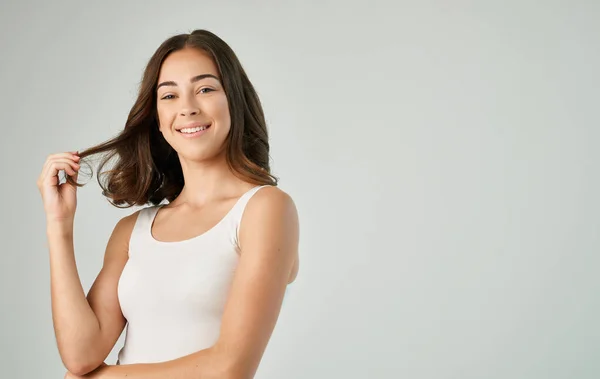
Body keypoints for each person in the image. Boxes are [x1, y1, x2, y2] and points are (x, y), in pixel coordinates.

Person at [36, 29, 300, 379]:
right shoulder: (133, 231)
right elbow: (80, 354)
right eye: (169, 96)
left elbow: (230, 368)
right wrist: (59, 225)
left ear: (233, 101)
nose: (188, 108)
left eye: (205, 89)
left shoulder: (265, 209)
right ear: (157, 120)